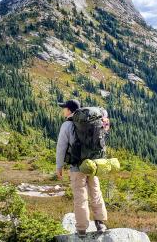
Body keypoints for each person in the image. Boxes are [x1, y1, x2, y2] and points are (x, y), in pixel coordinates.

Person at [56, 99, 108, 237]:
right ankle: (100, 223)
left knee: (80, 197)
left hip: (77, 166)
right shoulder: (91, 120)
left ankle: (82, 229)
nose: (63, 110)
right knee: (96, 192)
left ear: (69, 110)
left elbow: (61, 147)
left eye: (64, 108)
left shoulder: (67, 125)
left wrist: (59, 166)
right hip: (92, 164)